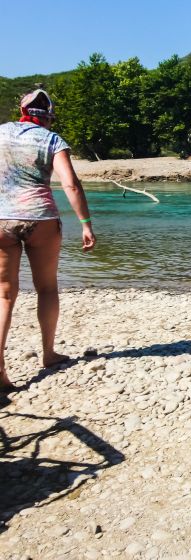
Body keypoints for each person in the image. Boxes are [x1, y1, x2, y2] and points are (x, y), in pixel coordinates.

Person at [0, 88, 96, 392]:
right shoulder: (51, 140)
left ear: (22, 109)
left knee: (4, 294)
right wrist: (85, 224)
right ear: (49, 115)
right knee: (47, 288)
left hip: (1, 219)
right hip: (40, 218)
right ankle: (49, 354)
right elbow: (70, 183)